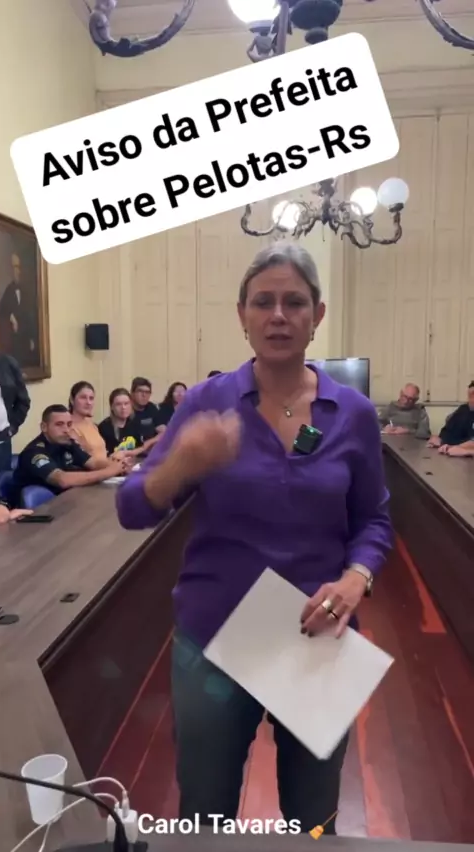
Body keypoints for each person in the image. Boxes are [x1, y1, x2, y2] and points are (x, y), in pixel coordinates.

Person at [116, 243, 392, 834]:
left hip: (316, 637)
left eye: (295, 302)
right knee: (204, 816)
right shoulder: (206, 403)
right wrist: (178, 466)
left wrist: (356, 578)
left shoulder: (354, 414)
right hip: (215, 638)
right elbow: (131, 508)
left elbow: (374, 520)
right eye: (263, 302)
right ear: (241, 315)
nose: (278, 316)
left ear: (318, 315)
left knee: (314, 822)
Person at [12, 404, 127, 500]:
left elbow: (92, 463)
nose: (66, 430)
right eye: (59, 424)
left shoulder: (67, 442)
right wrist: (109, 471)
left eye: (69, 424)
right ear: (44, 427)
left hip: (64, 500)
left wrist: (120, 465)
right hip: (36, 512)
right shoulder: (34, 452)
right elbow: (63, 480)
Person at [0, 253, 39, 367]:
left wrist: (32, 338)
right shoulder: (9, 290)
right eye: (13, 267)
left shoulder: (27, 291)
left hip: (26, 338)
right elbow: (1, 310)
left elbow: (31, 315)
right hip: (14, 341)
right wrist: (11, 316)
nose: (16, 271)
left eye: (17, 267)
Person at [0, 348, 30, 475]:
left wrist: (12, 427)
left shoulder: (6, 362)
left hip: (0, 439)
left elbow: (23, 401)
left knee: (1, 482)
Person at [427, 381, 474, 456]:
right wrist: (440, 439)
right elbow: (448, 430)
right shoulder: (463, 409)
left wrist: (463, 449)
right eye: (469, 396)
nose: (470, 400)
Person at [98, 388, 145, 457]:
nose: (123, 407)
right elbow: (102, 456)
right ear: (112, 407)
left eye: (126, 403)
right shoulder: (104, 428)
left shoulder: (135, 423)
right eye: (118, 404)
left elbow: (140, 448)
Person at [69, 381, 108, 460]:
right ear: (72, 400)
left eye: (91, 398)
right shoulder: (70, 427)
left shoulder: (91, 423)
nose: (88, 402)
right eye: (83, 397)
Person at [131, 377, 166, 448]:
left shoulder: (151, 407)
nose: (144, 395)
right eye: (140, 391)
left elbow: (164, 431)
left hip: (150, 450)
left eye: (147, 392)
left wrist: (150, 442)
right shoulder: (126, 409)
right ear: (132, 393)